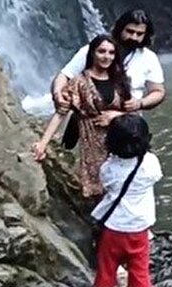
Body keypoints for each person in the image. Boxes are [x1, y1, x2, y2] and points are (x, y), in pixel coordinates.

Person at [33, 34, 134, 199]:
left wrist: (115, 115)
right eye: (102, 51)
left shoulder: (120, 81)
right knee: (99, 190)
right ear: (92, 53)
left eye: (111, 52)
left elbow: (131, 113)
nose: (106, 56)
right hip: (93, 144)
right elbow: (61, 113)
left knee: (126, 188)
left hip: (121, 140)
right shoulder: (78, 82)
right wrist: (42, 144)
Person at [93, 114, 162, 287]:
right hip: (139, 229)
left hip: (113, 229)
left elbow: (106, 184)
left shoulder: (108, 168)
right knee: (141, 273)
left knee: (106, 271)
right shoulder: (150, 163)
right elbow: (156, 176)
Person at [54, 9, 165, 112]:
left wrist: (140, 103)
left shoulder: (149, 57)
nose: (134, 37)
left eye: (139, 34)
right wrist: (58, 94)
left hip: (128, 119)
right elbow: (65, 75)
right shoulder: (94, 50)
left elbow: (158, 91)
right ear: (120, 29)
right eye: (130, 31)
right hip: (90, 115)